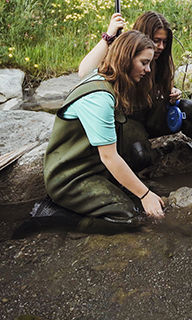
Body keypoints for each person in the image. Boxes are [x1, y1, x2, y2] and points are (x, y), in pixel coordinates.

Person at [42, 31, 165, 234]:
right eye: (144, 63)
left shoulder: (109, 80)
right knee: (128, 219)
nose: (148, 69)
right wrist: (145, 195)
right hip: (70, 179)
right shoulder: (99, 97)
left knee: (134, 132)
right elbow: (109, 157)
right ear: (126, 58)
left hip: (93, 169)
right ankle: (56, 218)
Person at [79, 11, 192, 166]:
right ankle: (157, 160)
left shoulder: (161, 59)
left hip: (153, 117)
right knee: (140, 154)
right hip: (129, 123)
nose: (161, 47)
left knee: (189, 109)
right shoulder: (120, 56)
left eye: (164, 42)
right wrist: (108, 37)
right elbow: (84, 72)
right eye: (156, 41)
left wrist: (171, 92)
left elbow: (160, 86)